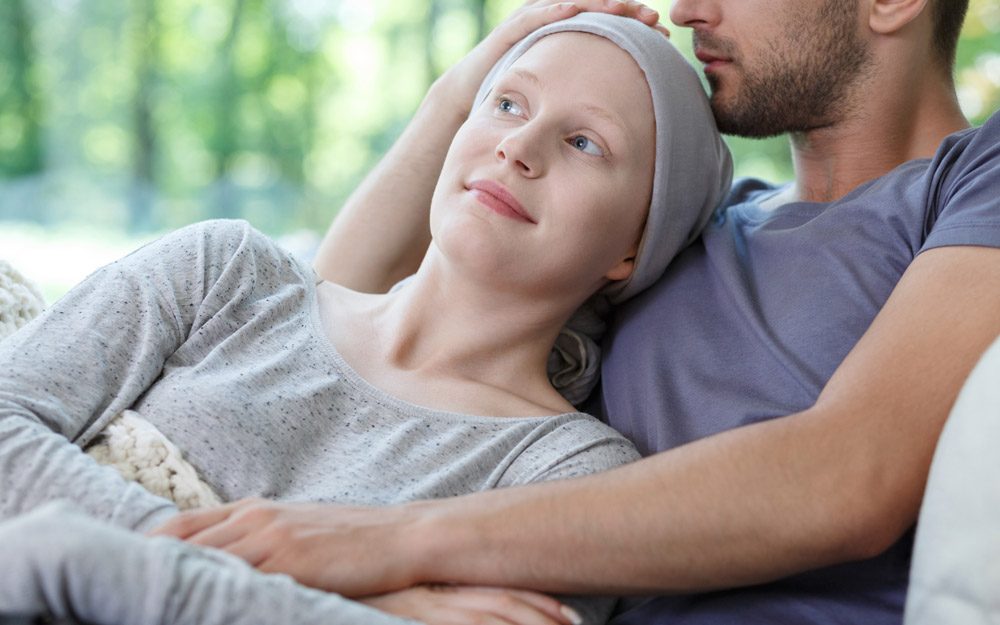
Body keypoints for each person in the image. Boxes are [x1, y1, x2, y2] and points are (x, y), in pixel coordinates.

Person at [152, 0, 1000, 623]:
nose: (686, 11)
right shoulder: (683, 229)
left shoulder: (973, 184)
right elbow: (339, 336)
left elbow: (849, 475)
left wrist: (389, 541)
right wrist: (468, 88)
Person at [0, 14, 732, 625]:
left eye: (584, 143)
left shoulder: (570, 476)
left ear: (634, 246)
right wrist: (337, 589)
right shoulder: (223, 271)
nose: (519, 146)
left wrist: (88, 551)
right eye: (508, 103)